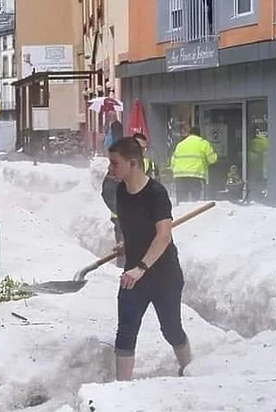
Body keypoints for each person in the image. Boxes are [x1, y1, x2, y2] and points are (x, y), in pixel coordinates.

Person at [108, 137, 191, 381]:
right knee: (126, 330)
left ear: (133, 163)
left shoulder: (156, 194)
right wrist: (127, 243)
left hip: (164, 274)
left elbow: (163, 236)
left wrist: (140, 268)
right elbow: (133, 226)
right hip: (134, 276)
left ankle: (189, 370)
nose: (110, 169)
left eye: (115, 163)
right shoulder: (121, 191)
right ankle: (120, 390)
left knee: (171, 329)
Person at [171, 126, 218, 202]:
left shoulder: (180, 145)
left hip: (180, 177)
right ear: (199, 134)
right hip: (196, 176)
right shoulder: (203, 143)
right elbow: (212, 159)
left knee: (182, 202)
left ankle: (183, 213)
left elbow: (172, 162)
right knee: (197, 202)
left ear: (189, 133)